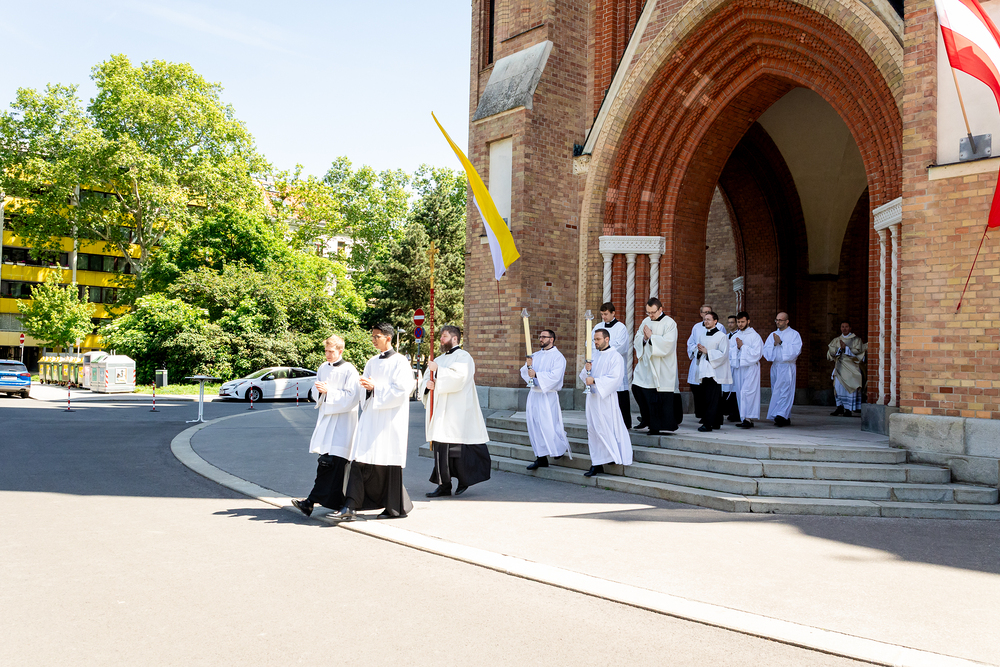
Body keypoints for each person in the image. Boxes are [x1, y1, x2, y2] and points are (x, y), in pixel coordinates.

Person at [332, 323, 416, 521]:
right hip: (371, 419)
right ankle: (350, 505)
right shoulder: (371, 362)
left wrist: (375, 388)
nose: (373, 340)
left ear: (388, 338)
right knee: (360, 459)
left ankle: (395, 508)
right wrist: (367, 388)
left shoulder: (400, 362)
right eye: (373, 336)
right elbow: (364, 390)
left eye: (377, 336)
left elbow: (403, 390)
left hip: (390, 420)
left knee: (389, 463)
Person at [291, 335, 361, 517]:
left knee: (336, 465)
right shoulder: (323, 367)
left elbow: (353, 398)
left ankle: (313, 502)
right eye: (326, 351)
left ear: (340, 351)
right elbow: (316, 392)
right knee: (325, 463)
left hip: (343, 423)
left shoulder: (349, 370)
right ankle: (323, 502)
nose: (328, 354)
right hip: (327, 422)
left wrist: (329, 392)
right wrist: (320, 392)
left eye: (331, 351)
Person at [422, 325, 492, 497]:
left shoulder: (464, 357)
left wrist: (438, 371)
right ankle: (444, 485)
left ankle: (464, 480)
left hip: (458, 410)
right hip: (440, 412)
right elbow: (427, 378)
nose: (441, 339)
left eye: (444, 336)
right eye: (440, 336)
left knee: (459, 449)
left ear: (455, 338)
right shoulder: (438, 359)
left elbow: (460, 377)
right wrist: (428, 385)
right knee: (441, 448)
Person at [580, 328, 633, 476]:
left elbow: (615, 378)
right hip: (592, 399)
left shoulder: (615, 357)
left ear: (607, 339)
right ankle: (597, 463)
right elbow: (584, 377)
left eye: (598, 339)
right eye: (594, 340)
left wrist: (595, 380)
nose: (595, 342)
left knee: (606, 428)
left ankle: (611, 456)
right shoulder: (594, 356)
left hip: (606, 399)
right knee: (593, 429)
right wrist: (586, 370)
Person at [520, 329, 571, 469]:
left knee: (549, 425)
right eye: (540, 337)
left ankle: (559, 448)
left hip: (548, 395)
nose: (541, 339)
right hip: (534, 394)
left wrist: (536, 374)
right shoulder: (535, 355)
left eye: (544, 337)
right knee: (534, 425)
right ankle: (541, 458)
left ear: (551, 339)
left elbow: (555, 376)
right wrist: (528, 366)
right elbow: (525, 372)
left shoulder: (558, 357)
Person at [632, 297, 679, 435]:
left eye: (653, 312)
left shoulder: (670, 323)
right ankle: (646, 419)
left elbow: (668, 344)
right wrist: (644, 338)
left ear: (660, 309)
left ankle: (655, 426)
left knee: (655, 397)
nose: (650, 315)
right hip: (646, 365)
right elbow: (637, 338)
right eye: (648, 312)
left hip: (661, 366)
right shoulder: (646, 321)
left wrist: (652, 337)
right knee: (637, 388)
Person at [590, 302, 632, 428]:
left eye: (606, 314)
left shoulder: (620, 328)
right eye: (602, 314)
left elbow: (621, 346)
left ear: (613, 313)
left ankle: (624, 424)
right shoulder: (598, 327)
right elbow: (591, 344)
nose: (603, 317)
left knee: (619, 393)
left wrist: (605, 349)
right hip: (600, 365)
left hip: (614, 364)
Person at [689, 311, 731, 432]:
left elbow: (724, 354)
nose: (706, 321)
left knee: (712, 398)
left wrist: (708, 352)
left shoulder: (721, 336)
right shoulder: (702, 336)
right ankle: (716, 422)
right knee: (707, 397)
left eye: (708, 319)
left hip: (715, 371)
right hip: (704, 370)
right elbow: (698, 352)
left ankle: (708, 424)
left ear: (715, 321)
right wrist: (699, 351)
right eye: (705, 319)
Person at [762, 312, 802, 427]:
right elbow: (766, 350)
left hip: (787, 366)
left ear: (787, 321)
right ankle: (784, 416)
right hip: (776, 366)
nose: (778, 322)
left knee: (785, 391)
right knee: (776, 391)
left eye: (780, 320)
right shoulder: (773, 334)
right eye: (777, 320)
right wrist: (774, 344)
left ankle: (781, 415)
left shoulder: (794, 334)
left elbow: (796, 350)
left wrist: (781, 343)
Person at [731, 311, 763, 429]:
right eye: (738, 322)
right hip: (739, 367)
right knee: (740, 392)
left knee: (748, 392)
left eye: (742, 322)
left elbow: (757, 353)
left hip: (750, 368)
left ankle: (749, 418)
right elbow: (730, 351)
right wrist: (737, 348)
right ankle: (743, 417)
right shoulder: (735, 336)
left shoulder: (755, 336)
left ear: (748, 321)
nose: (740, 324)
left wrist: (742, 347)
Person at [828, 320, 867, 417]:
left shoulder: (856, 340)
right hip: (839, 367)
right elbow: (830, 353)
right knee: (838, 387)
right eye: (842, 327)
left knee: (850, 387)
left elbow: (860, 353)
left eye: (846, 327)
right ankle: (840, 407)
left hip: (851, 368)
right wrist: (839, 349)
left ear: (850, 328)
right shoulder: (836, 340)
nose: (844, 329)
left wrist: (846, 348)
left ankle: (848, 409)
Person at [686, 304, 714, 421]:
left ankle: (708, 415)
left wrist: (708, 351)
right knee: (697, 388)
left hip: (710, 362)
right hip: (698, 360)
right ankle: (701, 413)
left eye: (709, 312)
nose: (706, 314)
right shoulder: (696, 327)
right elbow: (690, 343)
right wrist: (696, 349)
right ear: (701, 314)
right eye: (705, 312)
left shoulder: (719, 327)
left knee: (708, 390)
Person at [722, 315, 740, 421]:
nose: (730, 324)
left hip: (735, 365)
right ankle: (728, 411)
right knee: (726, 388)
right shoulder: (726, 336)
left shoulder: (739, 336)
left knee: (735, 389)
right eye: (728, 322)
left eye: (732, 322)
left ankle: (735, 413)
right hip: (727, 365)